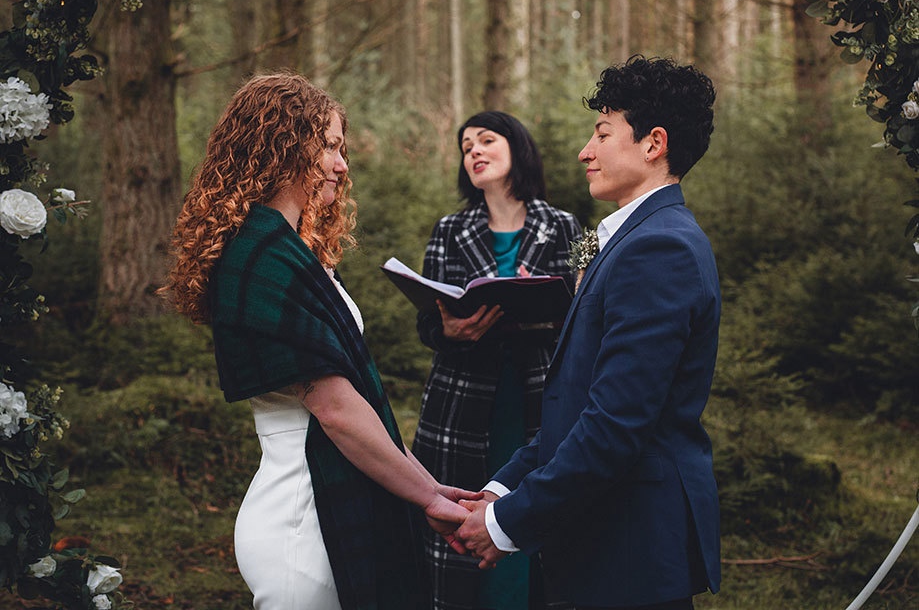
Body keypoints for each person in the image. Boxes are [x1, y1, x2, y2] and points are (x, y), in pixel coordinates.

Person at [161, 74, 476, 610]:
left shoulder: (290, 253)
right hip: (303, 527)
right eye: (329, 146)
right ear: (284, 144)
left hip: (325, 505)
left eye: (341, 149)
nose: (341, 164)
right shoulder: (259, 257)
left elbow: (362, 403)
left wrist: (431, 487)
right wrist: (426, 497)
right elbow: (333, 406)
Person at [456, 56, 723, 610]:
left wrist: (504, 523)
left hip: (630, 549)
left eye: (602, 133)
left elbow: (615, 425)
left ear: (653, 144)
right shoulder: (636, 238)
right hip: (603, 541)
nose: (585, 150)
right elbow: (575, 404)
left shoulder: (660, 248)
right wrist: (500, 488)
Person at [412, 111, 581, 610]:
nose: (474, 152)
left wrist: (546, 308)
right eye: (466, 147)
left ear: (518, 149)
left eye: (486, 140)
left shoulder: (564, 226)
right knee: (460, 523)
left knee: (530, 517)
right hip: (460, 402)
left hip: (538, 396)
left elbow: (587, 312)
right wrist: (449, 329)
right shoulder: (449, 230)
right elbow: (427, 320)